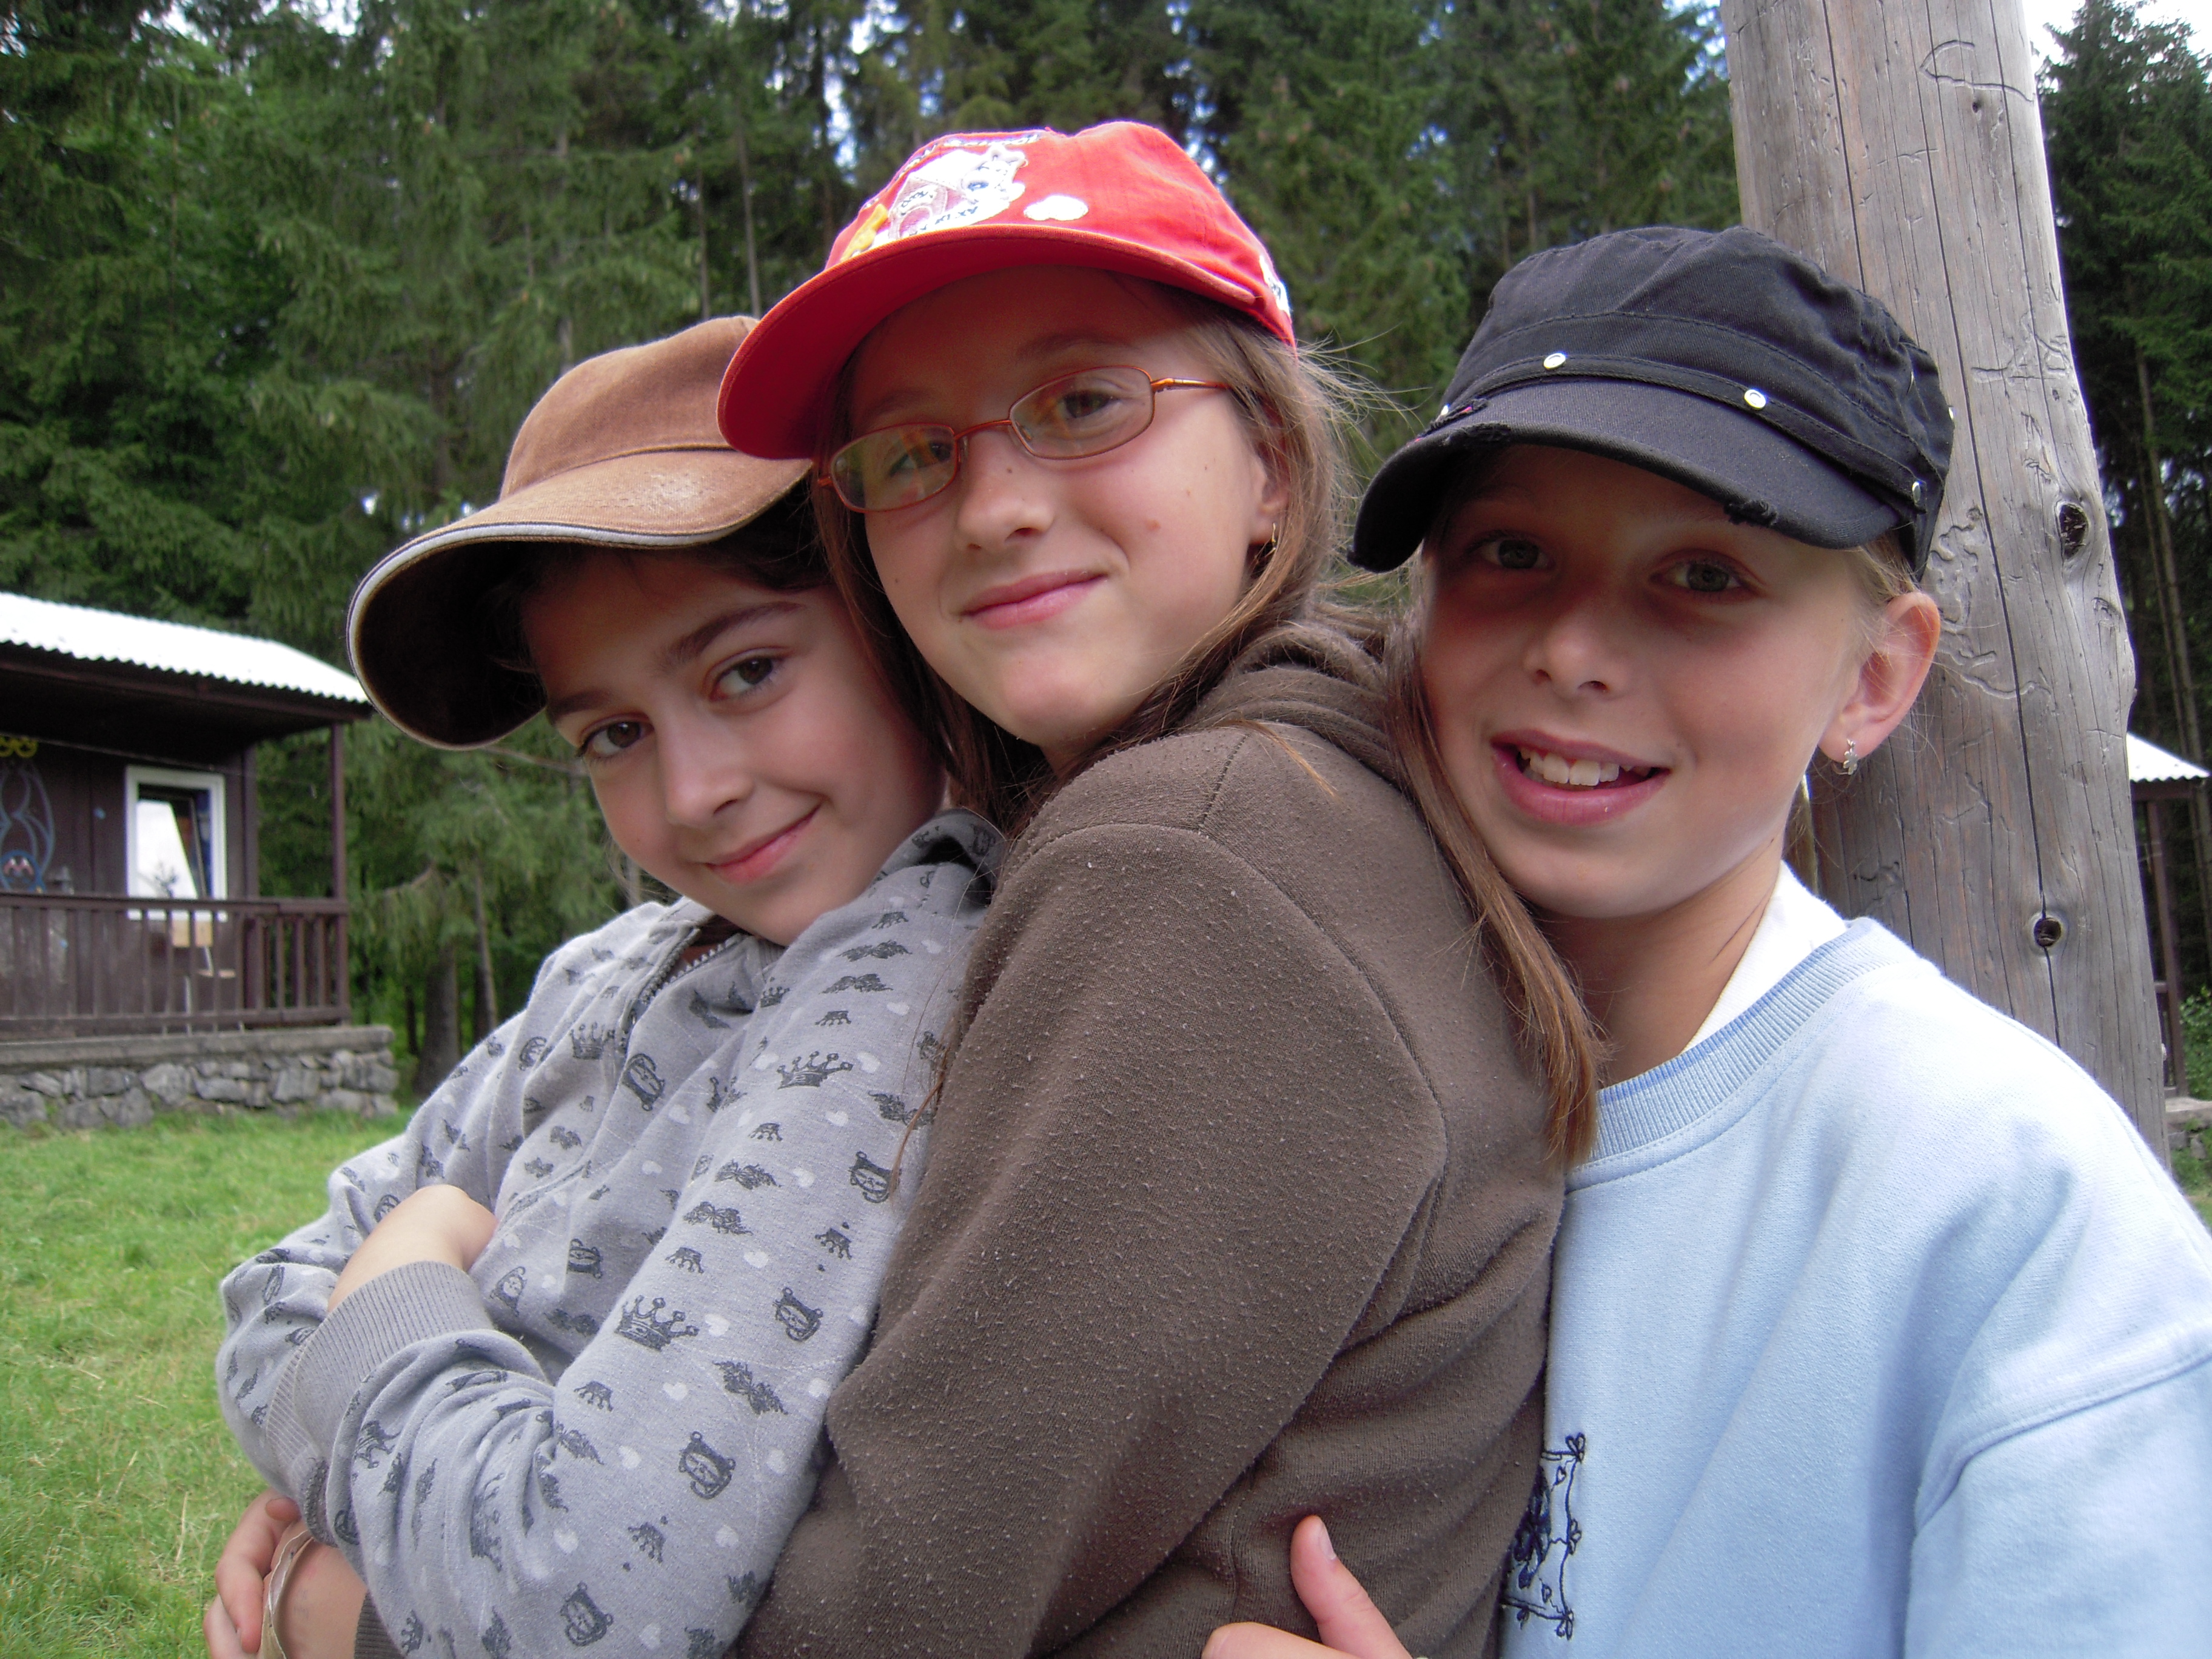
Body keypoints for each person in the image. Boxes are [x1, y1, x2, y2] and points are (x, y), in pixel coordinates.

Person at [1207, 226, 2212, 1659]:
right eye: (1510, 553)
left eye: (1705, 577)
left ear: (1875, 678)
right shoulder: (1295, 1072)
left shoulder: (2010, 1221)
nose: (1574, 651)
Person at [686, 119, 1578, 1659]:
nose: (991, 507)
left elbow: (887, 1615)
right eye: (911, 453)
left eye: (1084, 403)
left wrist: (370, 1596)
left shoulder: (1193, 858)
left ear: (1271, 463)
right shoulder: (1328, 791)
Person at [204, 317, 1000, 1659]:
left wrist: (398, 1290)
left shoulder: (902, 983)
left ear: (893, 615)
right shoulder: (608, 967)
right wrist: (380, 1493)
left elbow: (574, 1593)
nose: (693, 792)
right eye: (615, 733)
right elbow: (267, 1293)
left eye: (747, 671)